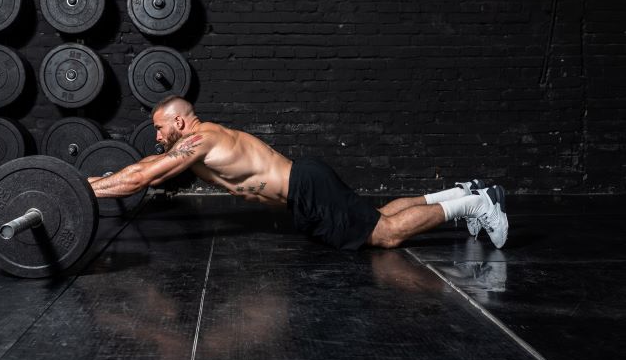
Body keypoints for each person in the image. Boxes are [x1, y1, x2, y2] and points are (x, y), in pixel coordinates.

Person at [88, 96, 509, 250]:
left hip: (305, 188)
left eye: (159, 127)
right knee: (379, 215)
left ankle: (477, 204)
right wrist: (90, 183)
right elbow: (148, 171)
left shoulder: (199, 141)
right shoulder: (194, 147)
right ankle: (459, 193)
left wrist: (84, 192)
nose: (156, 135)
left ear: (179, 124)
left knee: (387, 235)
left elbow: (142, 178)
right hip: (305, 187)